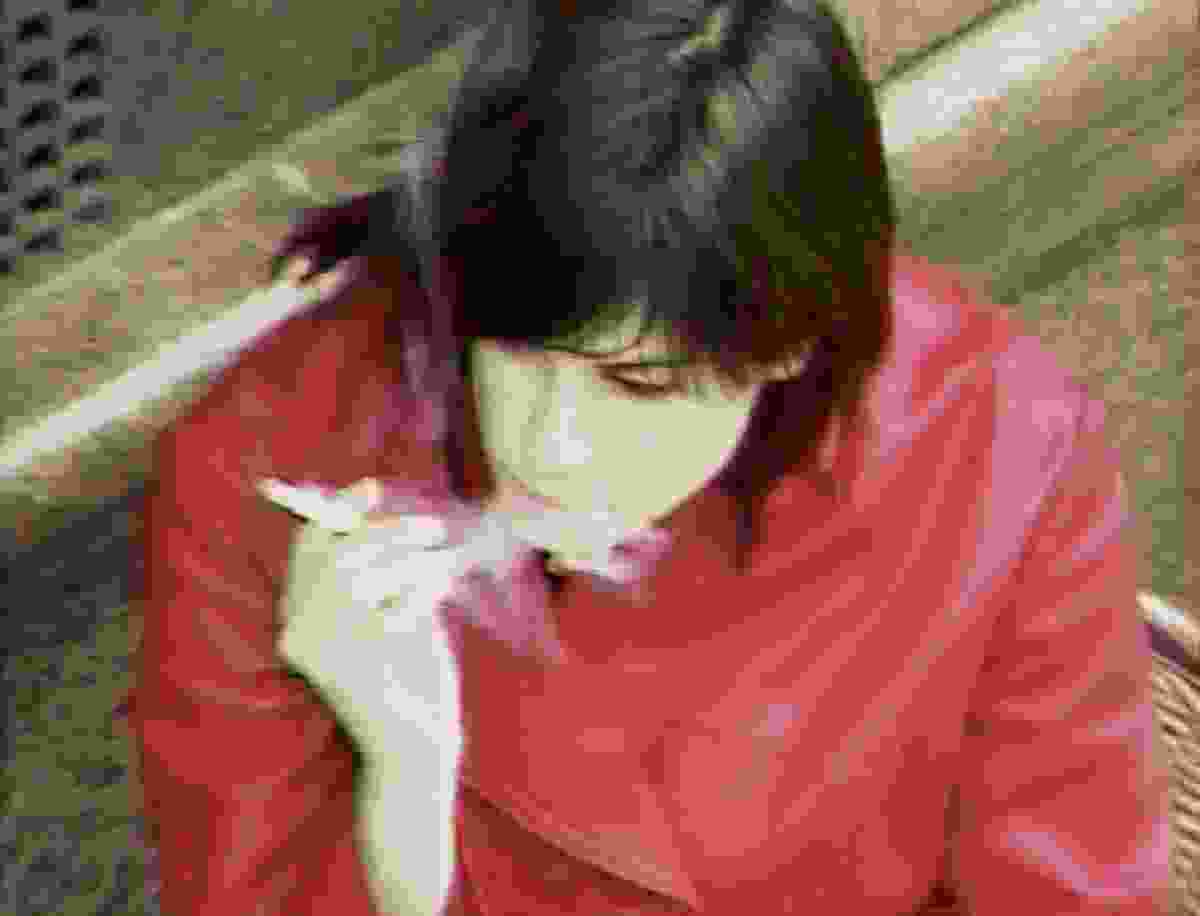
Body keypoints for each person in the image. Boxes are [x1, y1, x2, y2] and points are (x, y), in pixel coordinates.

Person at [122, 0, 1177, 913]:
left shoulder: (997, 451)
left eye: (638, 385)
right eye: (513, 352)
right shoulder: (272, 469)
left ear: (793, 342)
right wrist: (406, 794)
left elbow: (1071, 891)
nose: (548, 445)